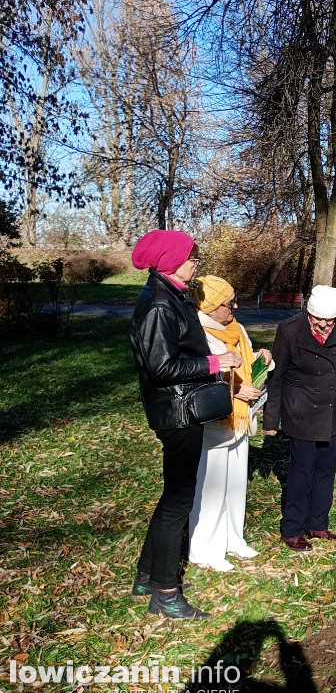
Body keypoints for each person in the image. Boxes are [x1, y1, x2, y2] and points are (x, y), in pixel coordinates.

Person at [129, 230, 242, 619]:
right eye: (192, 256)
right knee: (178, 500)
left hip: (181, 409)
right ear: (168, 261)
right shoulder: (160, 304)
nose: (196, 262)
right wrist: (216, 363)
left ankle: (147, 575)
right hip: (178, 414)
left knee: (173, 498)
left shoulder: (171, 295)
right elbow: (161, 367)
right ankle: (165, 592)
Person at [189, 276, 273, 571]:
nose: (234, 306)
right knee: (212, 484)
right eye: (229, 303)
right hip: (216, 417)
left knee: (236, 481)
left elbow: (245, 364)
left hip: (241, 417)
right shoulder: (197, 333)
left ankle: (232, 537)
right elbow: (196, 377)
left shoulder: (235, 329)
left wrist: (263, 358)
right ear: (210, 307)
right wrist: (235, 391)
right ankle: (204, 548)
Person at [264, 285, 336, 551]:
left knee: (326, 469)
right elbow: (277, 376)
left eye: (329, 320)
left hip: (333, 408)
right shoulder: (290, 329)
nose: (324, 324)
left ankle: (318, 523)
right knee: (301, 470)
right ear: (308, 312)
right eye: (318, 319)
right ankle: (292, 528)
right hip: (301, 409)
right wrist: (272, 419)